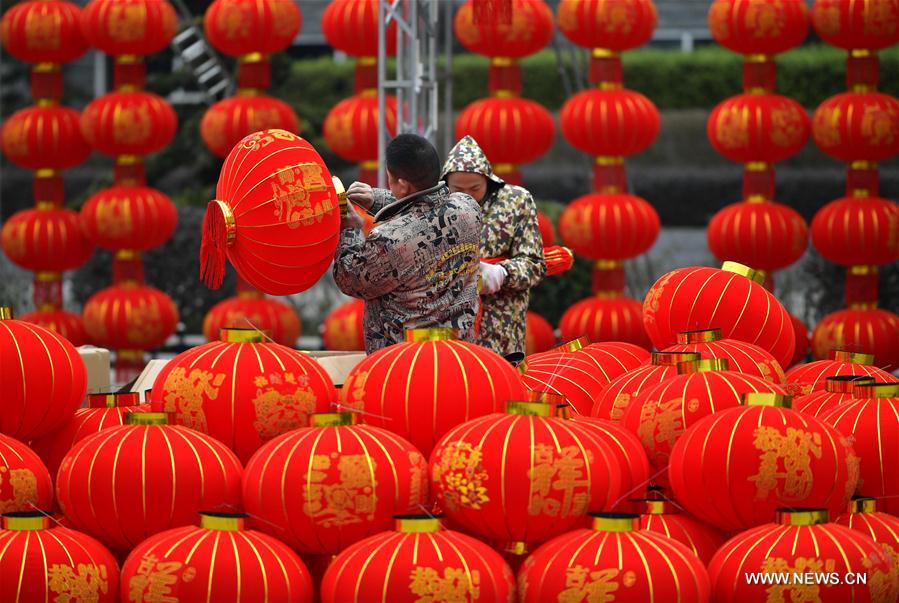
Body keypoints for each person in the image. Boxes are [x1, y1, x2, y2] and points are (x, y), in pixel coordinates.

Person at [334, 134, 482, 353]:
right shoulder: (468, 207)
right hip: (458, 350)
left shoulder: (389, 240)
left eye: (391, 179)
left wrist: (350, 228)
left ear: (402, 184)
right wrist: (378, 199)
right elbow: (428, 211)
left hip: (407, 359)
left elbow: (350, 279)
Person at [442, 135, 546, 356]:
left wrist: (501, 273)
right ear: (445, 184)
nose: (466, 196)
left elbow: (535, 265)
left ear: (488, 181)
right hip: (448, 328)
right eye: (457, 189)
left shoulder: (516, 201)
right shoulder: (435, 205)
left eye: (474, 188)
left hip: (501, 328)